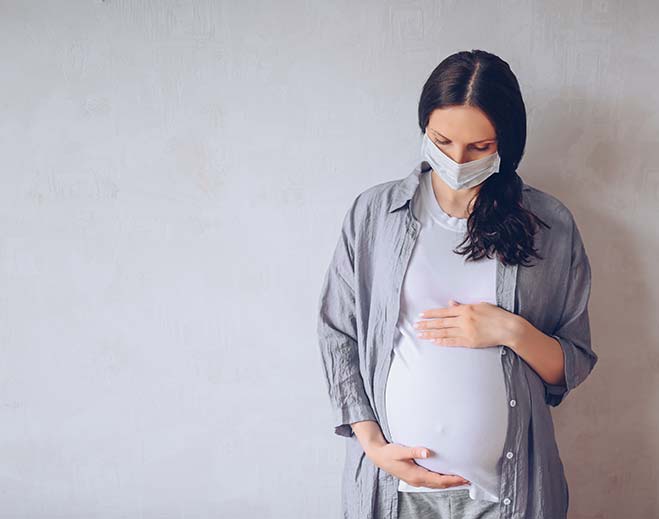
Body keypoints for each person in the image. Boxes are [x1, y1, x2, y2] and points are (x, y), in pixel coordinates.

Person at [316, 49, 598, 519]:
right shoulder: (373, 216)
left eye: (479, 148)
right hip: (395, 492)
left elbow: (572, 363)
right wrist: (373, 446)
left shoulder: (550, 224)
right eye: (442, 140)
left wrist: (511, 331)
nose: (456, 160)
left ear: (506, 144)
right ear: (424, 126)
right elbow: (336, 334)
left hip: (512, 495)